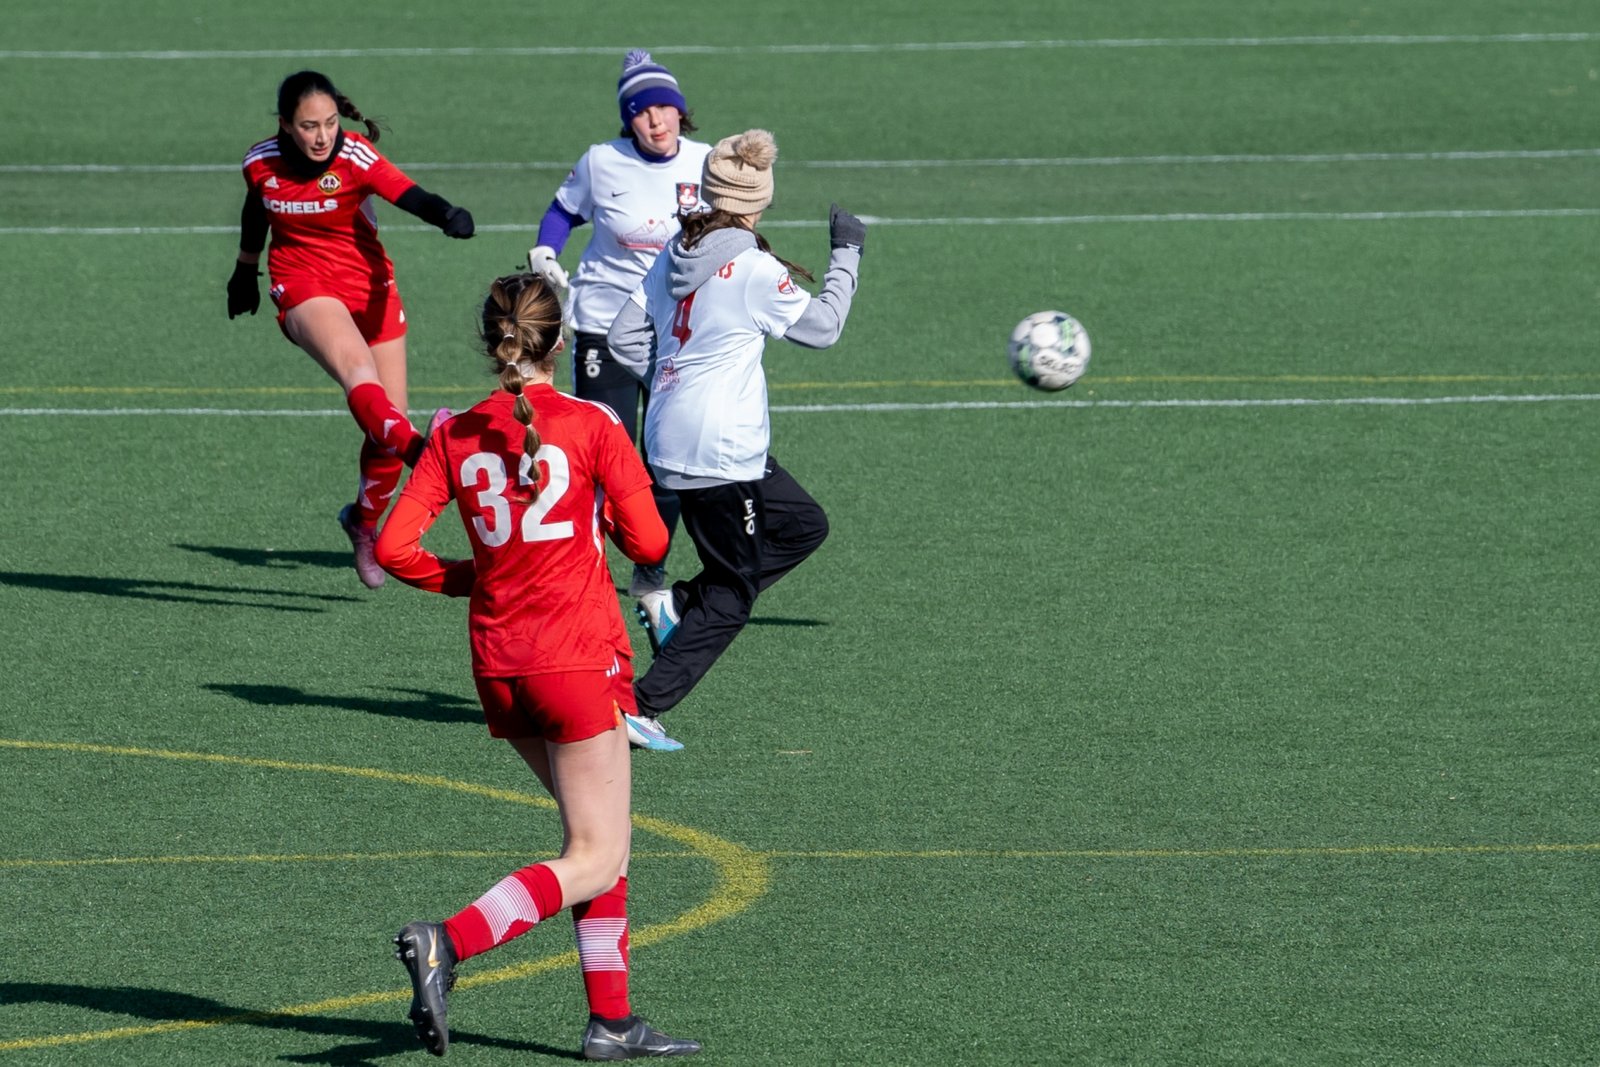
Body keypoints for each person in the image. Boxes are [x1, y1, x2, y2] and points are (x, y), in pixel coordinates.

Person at [376, 272, 700, 1060]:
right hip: (577, 659)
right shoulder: (591, 423)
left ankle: (611, 1022)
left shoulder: (454, 432)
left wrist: (477, 575)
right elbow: (652, 542)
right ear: (561, 341)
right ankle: (447, 940)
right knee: (596, 852)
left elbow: (393, 548)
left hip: (501, 666)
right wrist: (609, 517)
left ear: (493, 341)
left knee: (600, 842)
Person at [607, 129, 867, 749]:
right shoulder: (753, 268)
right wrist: (848, 254)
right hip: (719, 449)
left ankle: (677, 605)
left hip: (675, 439)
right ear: (759, 201)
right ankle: (640, 705)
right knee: (732, 597)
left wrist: (670, 378)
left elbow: (621, 340)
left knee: (803, 524)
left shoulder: (676, 251)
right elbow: (824, 328)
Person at [227, 69, 475, 589]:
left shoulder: (355, 156)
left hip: (371, 288)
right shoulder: (259, 162)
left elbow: (407, 193)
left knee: (385, 426)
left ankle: (362, 523)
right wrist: (245, 270)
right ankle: (425, 455)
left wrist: (446, 214)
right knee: (358, 373)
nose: (322, 137)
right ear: (285, 125)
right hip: (301, 282)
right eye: (309, 126)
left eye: (330, 123)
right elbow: (257, 208)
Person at [525, 49, 712, 604]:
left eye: (664, 108)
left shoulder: (707, 163)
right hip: (604, 325)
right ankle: (587, 561)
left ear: (680, 111)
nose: (655, 121)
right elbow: (563, 211)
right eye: (641, 112)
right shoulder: (601, 162)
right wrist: (546, 250)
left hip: (676, 333)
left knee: (669, 457)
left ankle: (650, 565)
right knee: (603, 452)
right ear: (628, 120)